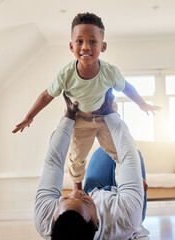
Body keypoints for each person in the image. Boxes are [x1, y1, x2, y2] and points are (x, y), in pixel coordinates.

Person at [12, 12, 160, 190]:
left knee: (121, 149)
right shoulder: (65, 74)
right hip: (81, 119)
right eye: (80, 41)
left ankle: (134, 178)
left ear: (103, 46)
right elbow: (47, 95)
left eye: (92, 41)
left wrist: (142, 104)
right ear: (71, 46)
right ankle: (77, 189)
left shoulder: (110, 72)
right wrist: (30, 116)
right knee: (77, 156)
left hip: (106, 117)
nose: (85, 47)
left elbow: (126, 87)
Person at [34, 91, 150, 240]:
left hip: (95, 190)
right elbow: (128, 156)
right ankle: (128, 191)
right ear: (97, 223)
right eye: (83, 200)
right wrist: (110, 114)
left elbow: (53, 163)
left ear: (53, 219)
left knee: (103, 151)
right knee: (135, 154)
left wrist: (69, 117)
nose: (76, 193)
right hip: (121, 207)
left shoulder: (44, 219)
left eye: (65, 198)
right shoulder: (126, 220)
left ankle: (100, 197)